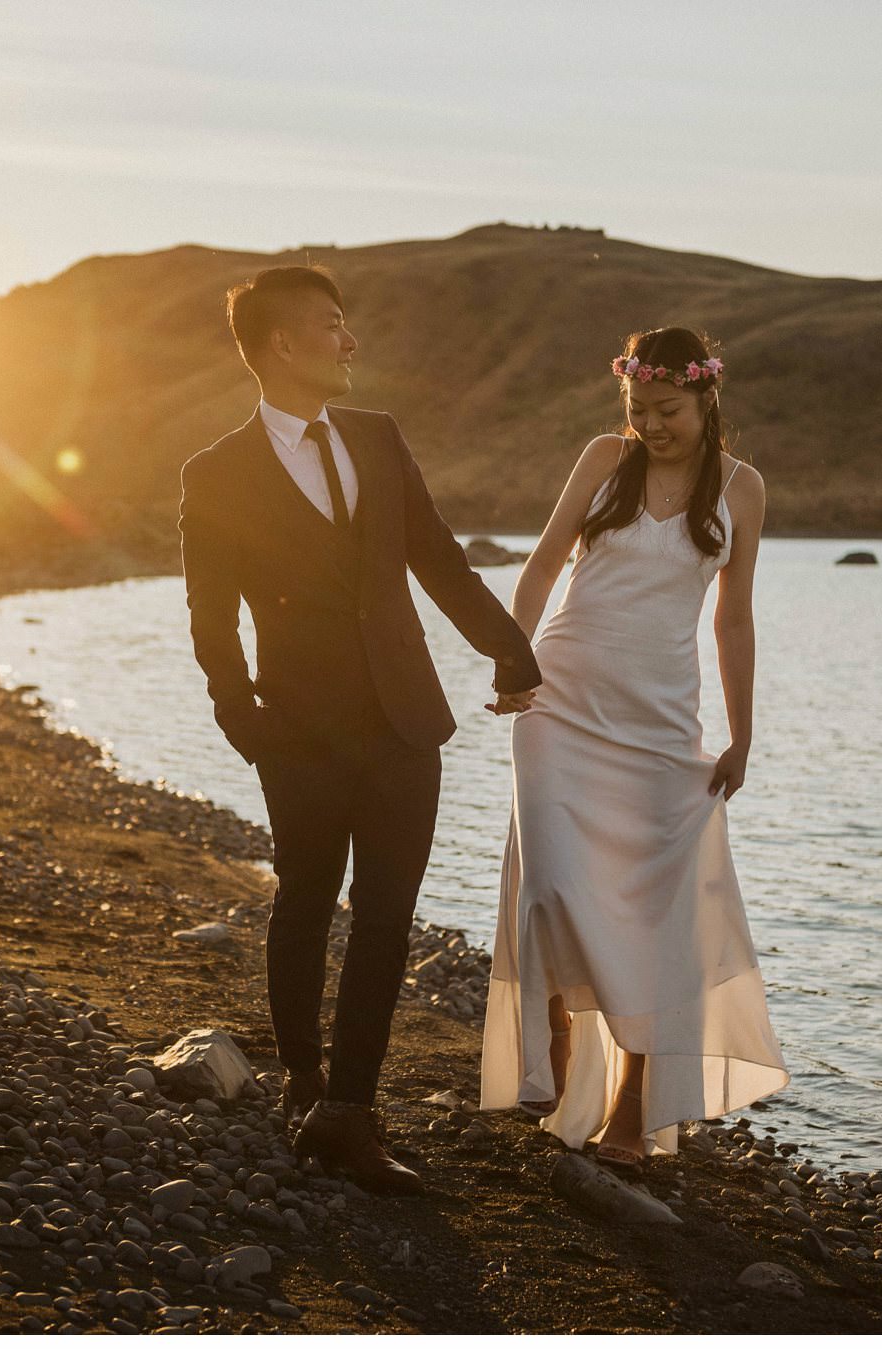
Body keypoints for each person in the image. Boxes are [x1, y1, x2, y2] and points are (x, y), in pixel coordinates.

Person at [179, 265, 542, 1195]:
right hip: (294, 729)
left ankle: (351, 1111)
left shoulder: (378, 439)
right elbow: (211, 619)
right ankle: (302, 1077)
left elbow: (440, 560)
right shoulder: (215, 473)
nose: (351, 342)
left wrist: (510, 650)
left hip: (401, 720)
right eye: (333, 326)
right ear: (281, 346)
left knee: (386, 916)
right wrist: (242, 720)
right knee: (305, 897)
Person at [478, 326, 790, 1174]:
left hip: (658, 724)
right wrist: (515, 659)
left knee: (655, 915)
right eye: (639, 409)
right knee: (547, 886)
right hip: (559, 697)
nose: (652, 425)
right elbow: (542, 565)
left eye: (669, 410)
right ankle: (555, 1050)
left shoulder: (740, 487)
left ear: (706, 398)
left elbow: (732, 617)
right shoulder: (602, 459)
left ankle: (629, 1109)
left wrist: (744, 732)